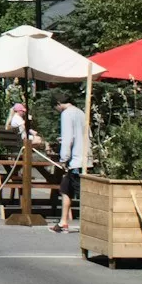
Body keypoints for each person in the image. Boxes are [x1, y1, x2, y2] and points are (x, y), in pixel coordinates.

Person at [54, 95, 87, 232]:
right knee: (65, 188)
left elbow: (68, 138)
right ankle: (63, 222)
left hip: (76, 160)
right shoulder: (81, 112)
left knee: (82, 194)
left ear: (58, 103)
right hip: (85, 157)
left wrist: (63, 158)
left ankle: (88, 224)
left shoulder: (66, 114)